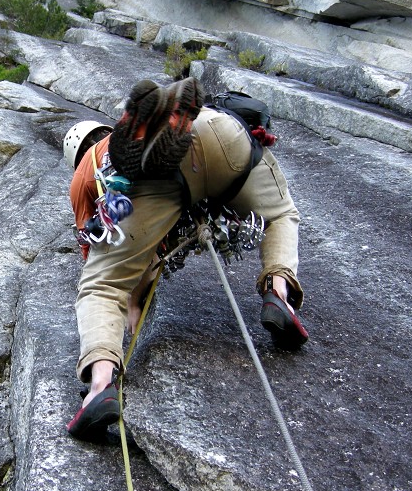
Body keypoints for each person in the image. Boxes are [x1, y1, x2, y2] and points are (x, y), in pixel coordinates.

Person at [64, 77, 308, 441]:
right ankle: (279, 291)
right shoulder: (152, 127)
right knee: (280, 215)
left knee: (102, 285)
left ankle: (100, 388)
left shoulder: (85, 172)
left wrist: (132, 301)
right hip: (221, 131)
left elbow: (103, 262)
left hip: (156, 180)